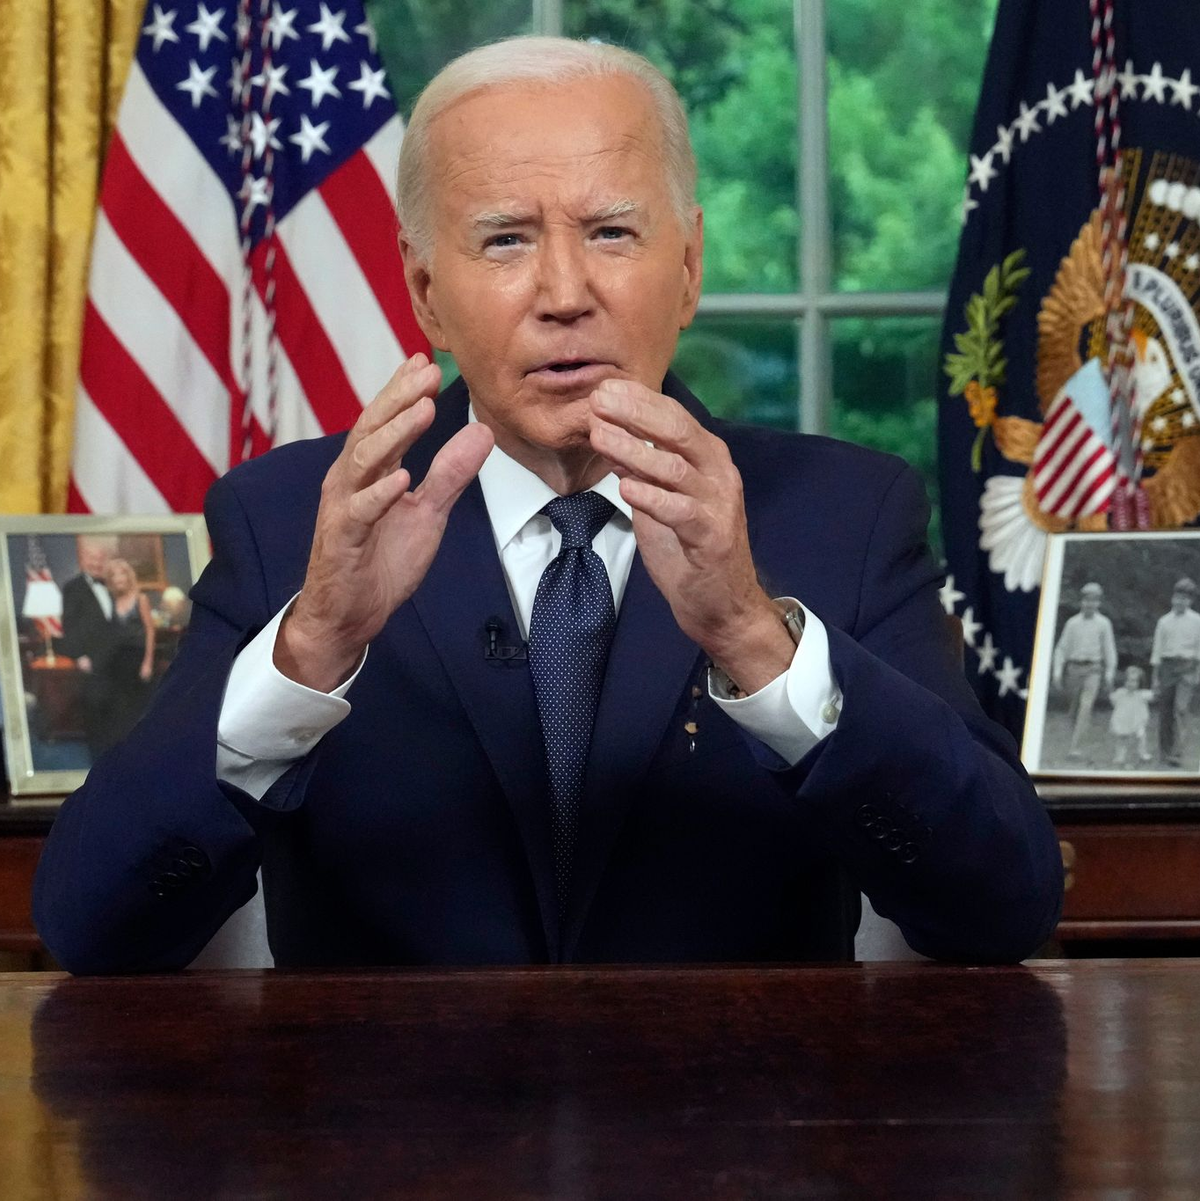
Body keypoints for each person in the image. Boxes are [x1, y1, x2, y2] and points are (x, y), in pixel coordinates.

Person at [33, 37, 1063, 974]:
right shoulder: (288, 522)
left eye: (612, 232)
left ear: (691, 265)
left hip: (737, 1149)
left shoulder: (846, 514)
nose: (565, 292)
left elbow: (1002, 907)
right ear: (425, 288)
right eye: (507, 241)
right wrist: (309, 649)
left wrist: (756, 637)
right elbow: (94, 927)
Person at [56, 536, 120, 758]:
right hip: (91, 661)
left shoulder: (113, 584)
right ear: (83, 559)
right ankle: (98, 759)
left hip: (115, 660)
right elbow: (69, 627)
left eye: (101, 558)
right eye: (92, 558)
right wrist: (79, 655)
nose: (97, 563)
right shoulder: (72, 588)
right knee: (95, 711)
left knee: (117, 712)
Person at [1051, 582, 1117, 760]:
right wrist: (1057, 671)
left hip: (1093, 669)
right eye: (1087, 600)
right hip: (1074, 669)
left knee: (1086, 708)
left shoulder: (1104, 624)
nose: (1090, 604)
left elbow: (1109, 650)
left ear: (1099, 603)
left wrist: (1109, 673)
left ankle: (1076, 747)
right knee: (1074, 709)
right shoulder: (1073, 623)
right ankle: (1074, 739)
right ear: (1082, 601)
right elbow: (1062, 649)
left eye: (1094, 601)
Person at [100, 558, 156, 748]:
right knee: (120, 705)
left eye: (121, 574)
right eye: (114, 576)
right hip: (119, 660)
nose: (118, 579)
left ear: (128, 576)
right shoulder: (112, 601)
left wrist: (147, 662)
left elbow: (150, 630)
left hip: (138, 657)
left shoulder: (141, 599)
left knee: (139, 704)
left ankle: (142, 744)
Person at [1150, 577, 1200, 766]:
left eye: (1186, 598)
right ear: (1173, 598)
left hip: (1187, 667)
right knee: (1165, 711)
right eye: (1178, 597)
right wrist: (1155, 677)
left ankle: (1177, 753)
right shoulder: (1164, 622)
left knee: (1181, 709)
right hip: (1167, 667)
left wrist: (1197, 672)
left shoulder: (1196, 621)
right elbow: (1157, 651)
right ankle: (1165, 752)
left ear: (1191, 601)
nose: (1181, 602)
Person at [1108, 665, 1155, 767]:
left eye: (1134, 681)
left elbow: (1154, 695)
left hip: (1137, 720)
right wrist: (1109, 686)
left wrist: (1156, 684)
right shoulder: (1121, 693)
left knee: (1141, 737)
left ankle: (1142, 753)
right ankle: (1120, 756)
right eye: (1128, 681)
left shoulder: (1142, 694)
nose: (1130, 684)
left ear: (1139, 683)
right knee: (1121, 739)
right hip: (1123, 720)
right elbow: (1112, 699)